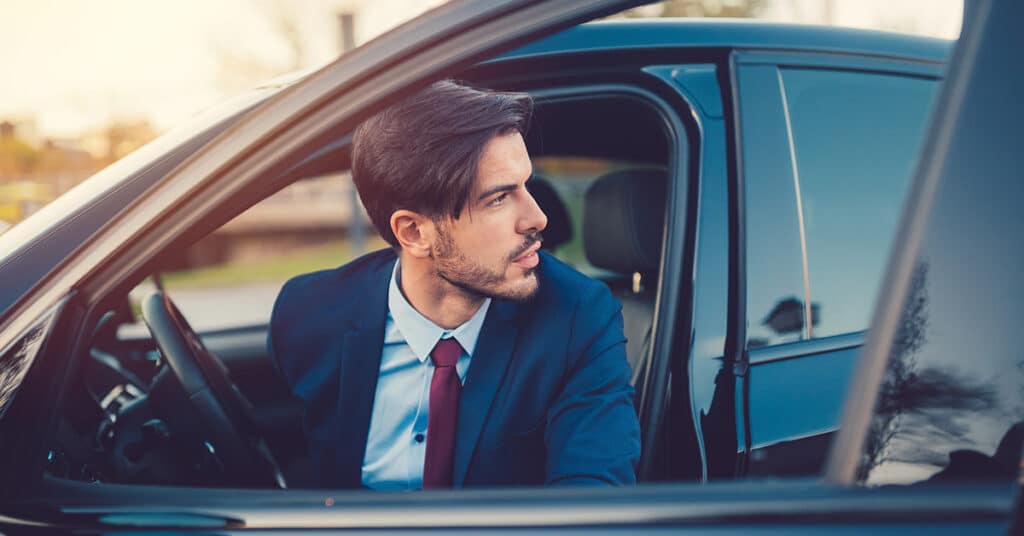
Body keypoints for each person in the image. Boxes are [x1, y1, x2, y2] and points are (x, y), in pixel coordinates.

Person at [268, 80, 640, 490]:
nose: (537, 218)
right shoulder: (308, 314)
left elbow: (590, 502)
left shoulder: (578, 317)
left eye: (526, 185)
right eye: (499, 198)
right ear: (413, 232)